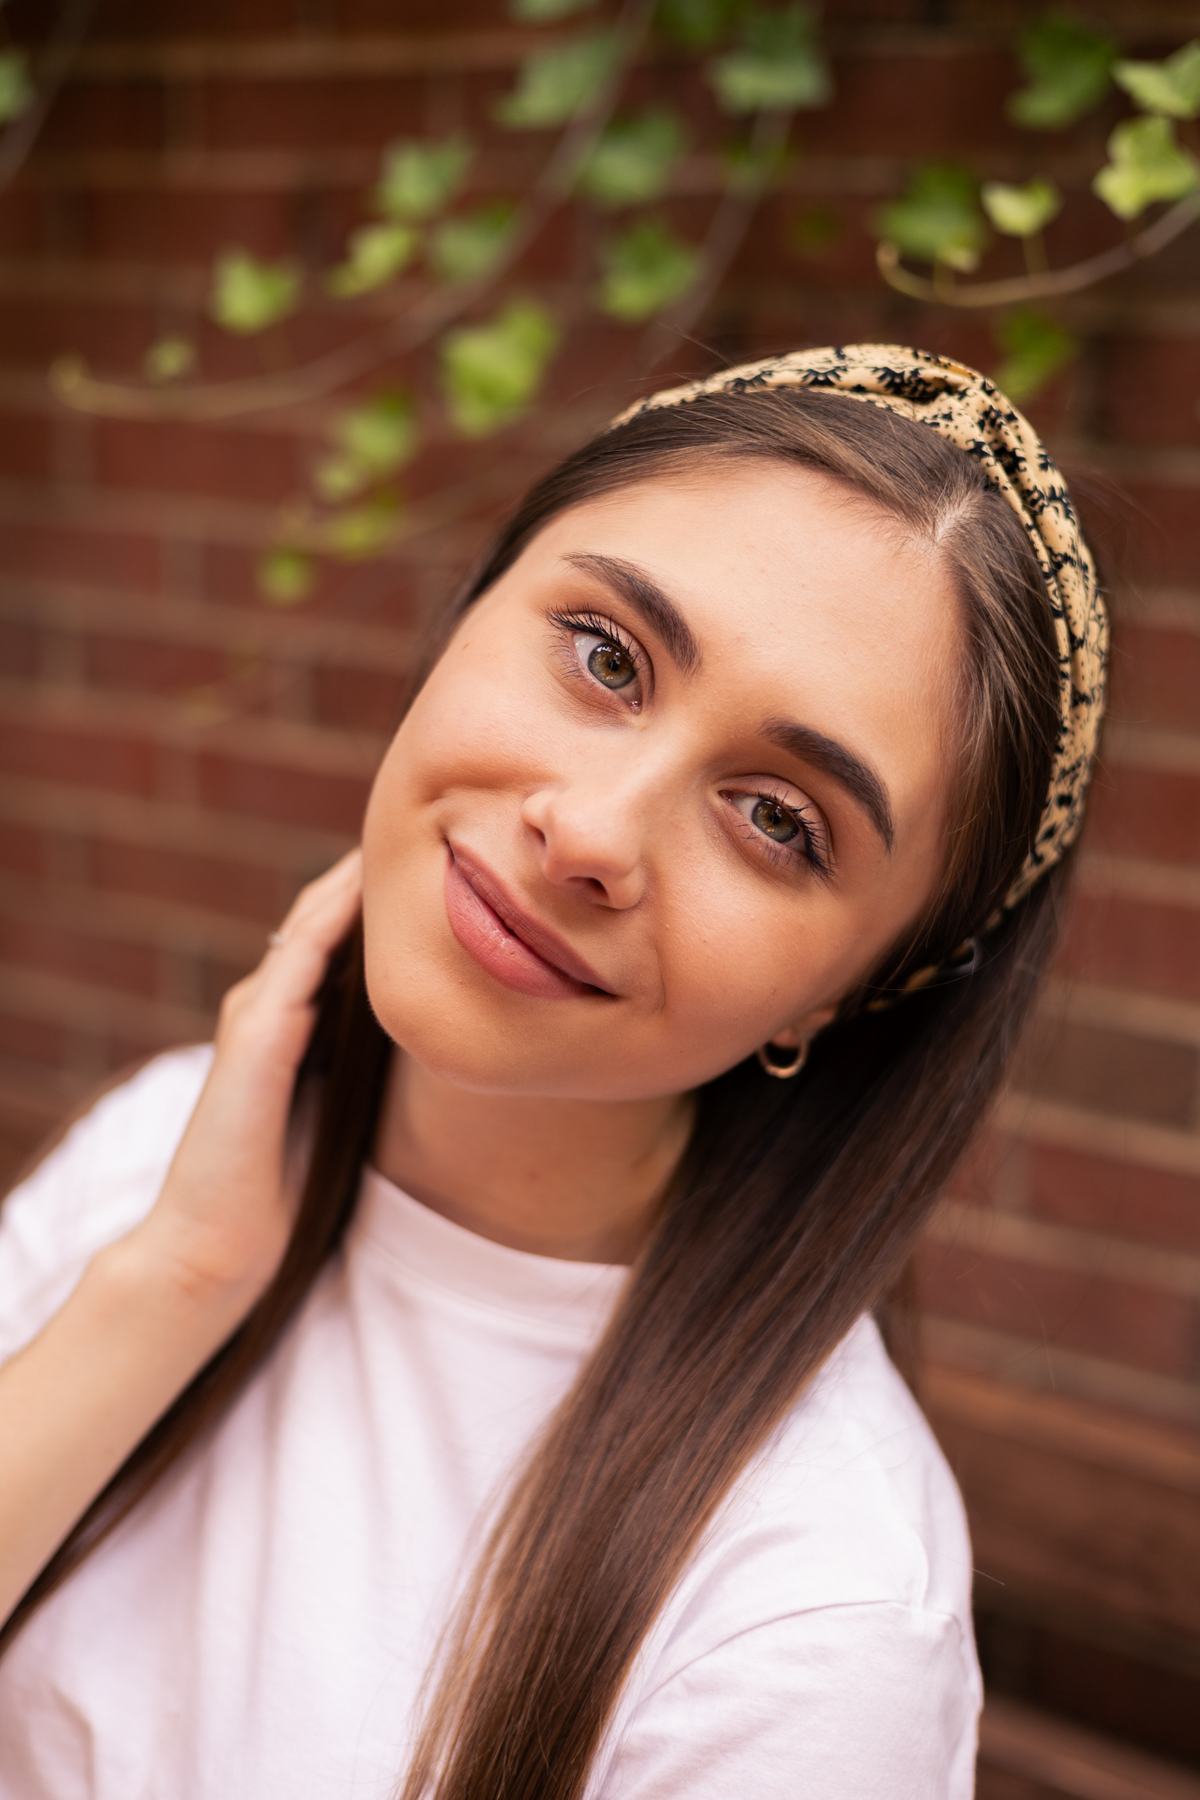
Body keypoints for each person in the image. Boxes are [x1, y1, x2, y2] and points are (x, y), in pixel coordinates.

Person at [0, 346, 1107, 1800]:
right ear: (472, 609)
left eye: (779, 820)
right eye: (605, 656)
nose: (592, 831)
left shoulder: (809, 1612)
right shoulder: (165, 1156)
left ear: (853, 994)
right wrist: (174, 1282)